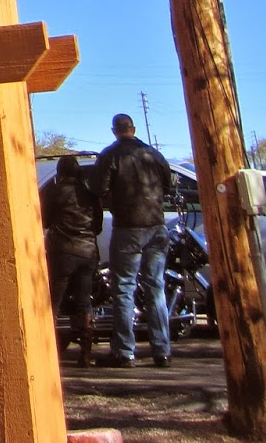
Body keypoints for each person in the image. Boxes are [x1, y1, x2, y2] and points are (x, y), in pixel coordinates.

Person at [90, 113, 175, 367]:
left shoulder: (110, 155)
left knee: (124, 288)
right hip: (157, 227)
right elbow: (168, 185)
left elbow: (98, 189)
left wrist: (114, 202)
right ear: (133, 129)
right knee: (155, 287)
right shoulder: (154, 155)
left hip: (128, 228)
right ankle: (162, 350)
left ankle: (125, 352)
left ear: (114, 131)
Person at [39, 154, 102, 366]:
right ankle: (85, 354)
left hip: (62, 252)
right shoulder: (89, 193)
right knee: (84, 302)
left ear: (60, 172)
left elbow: (44, 220)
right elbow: (97, 225)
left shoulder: (54, 191)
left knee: (54, 302)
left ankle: (47, 351)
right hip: (87, 251)